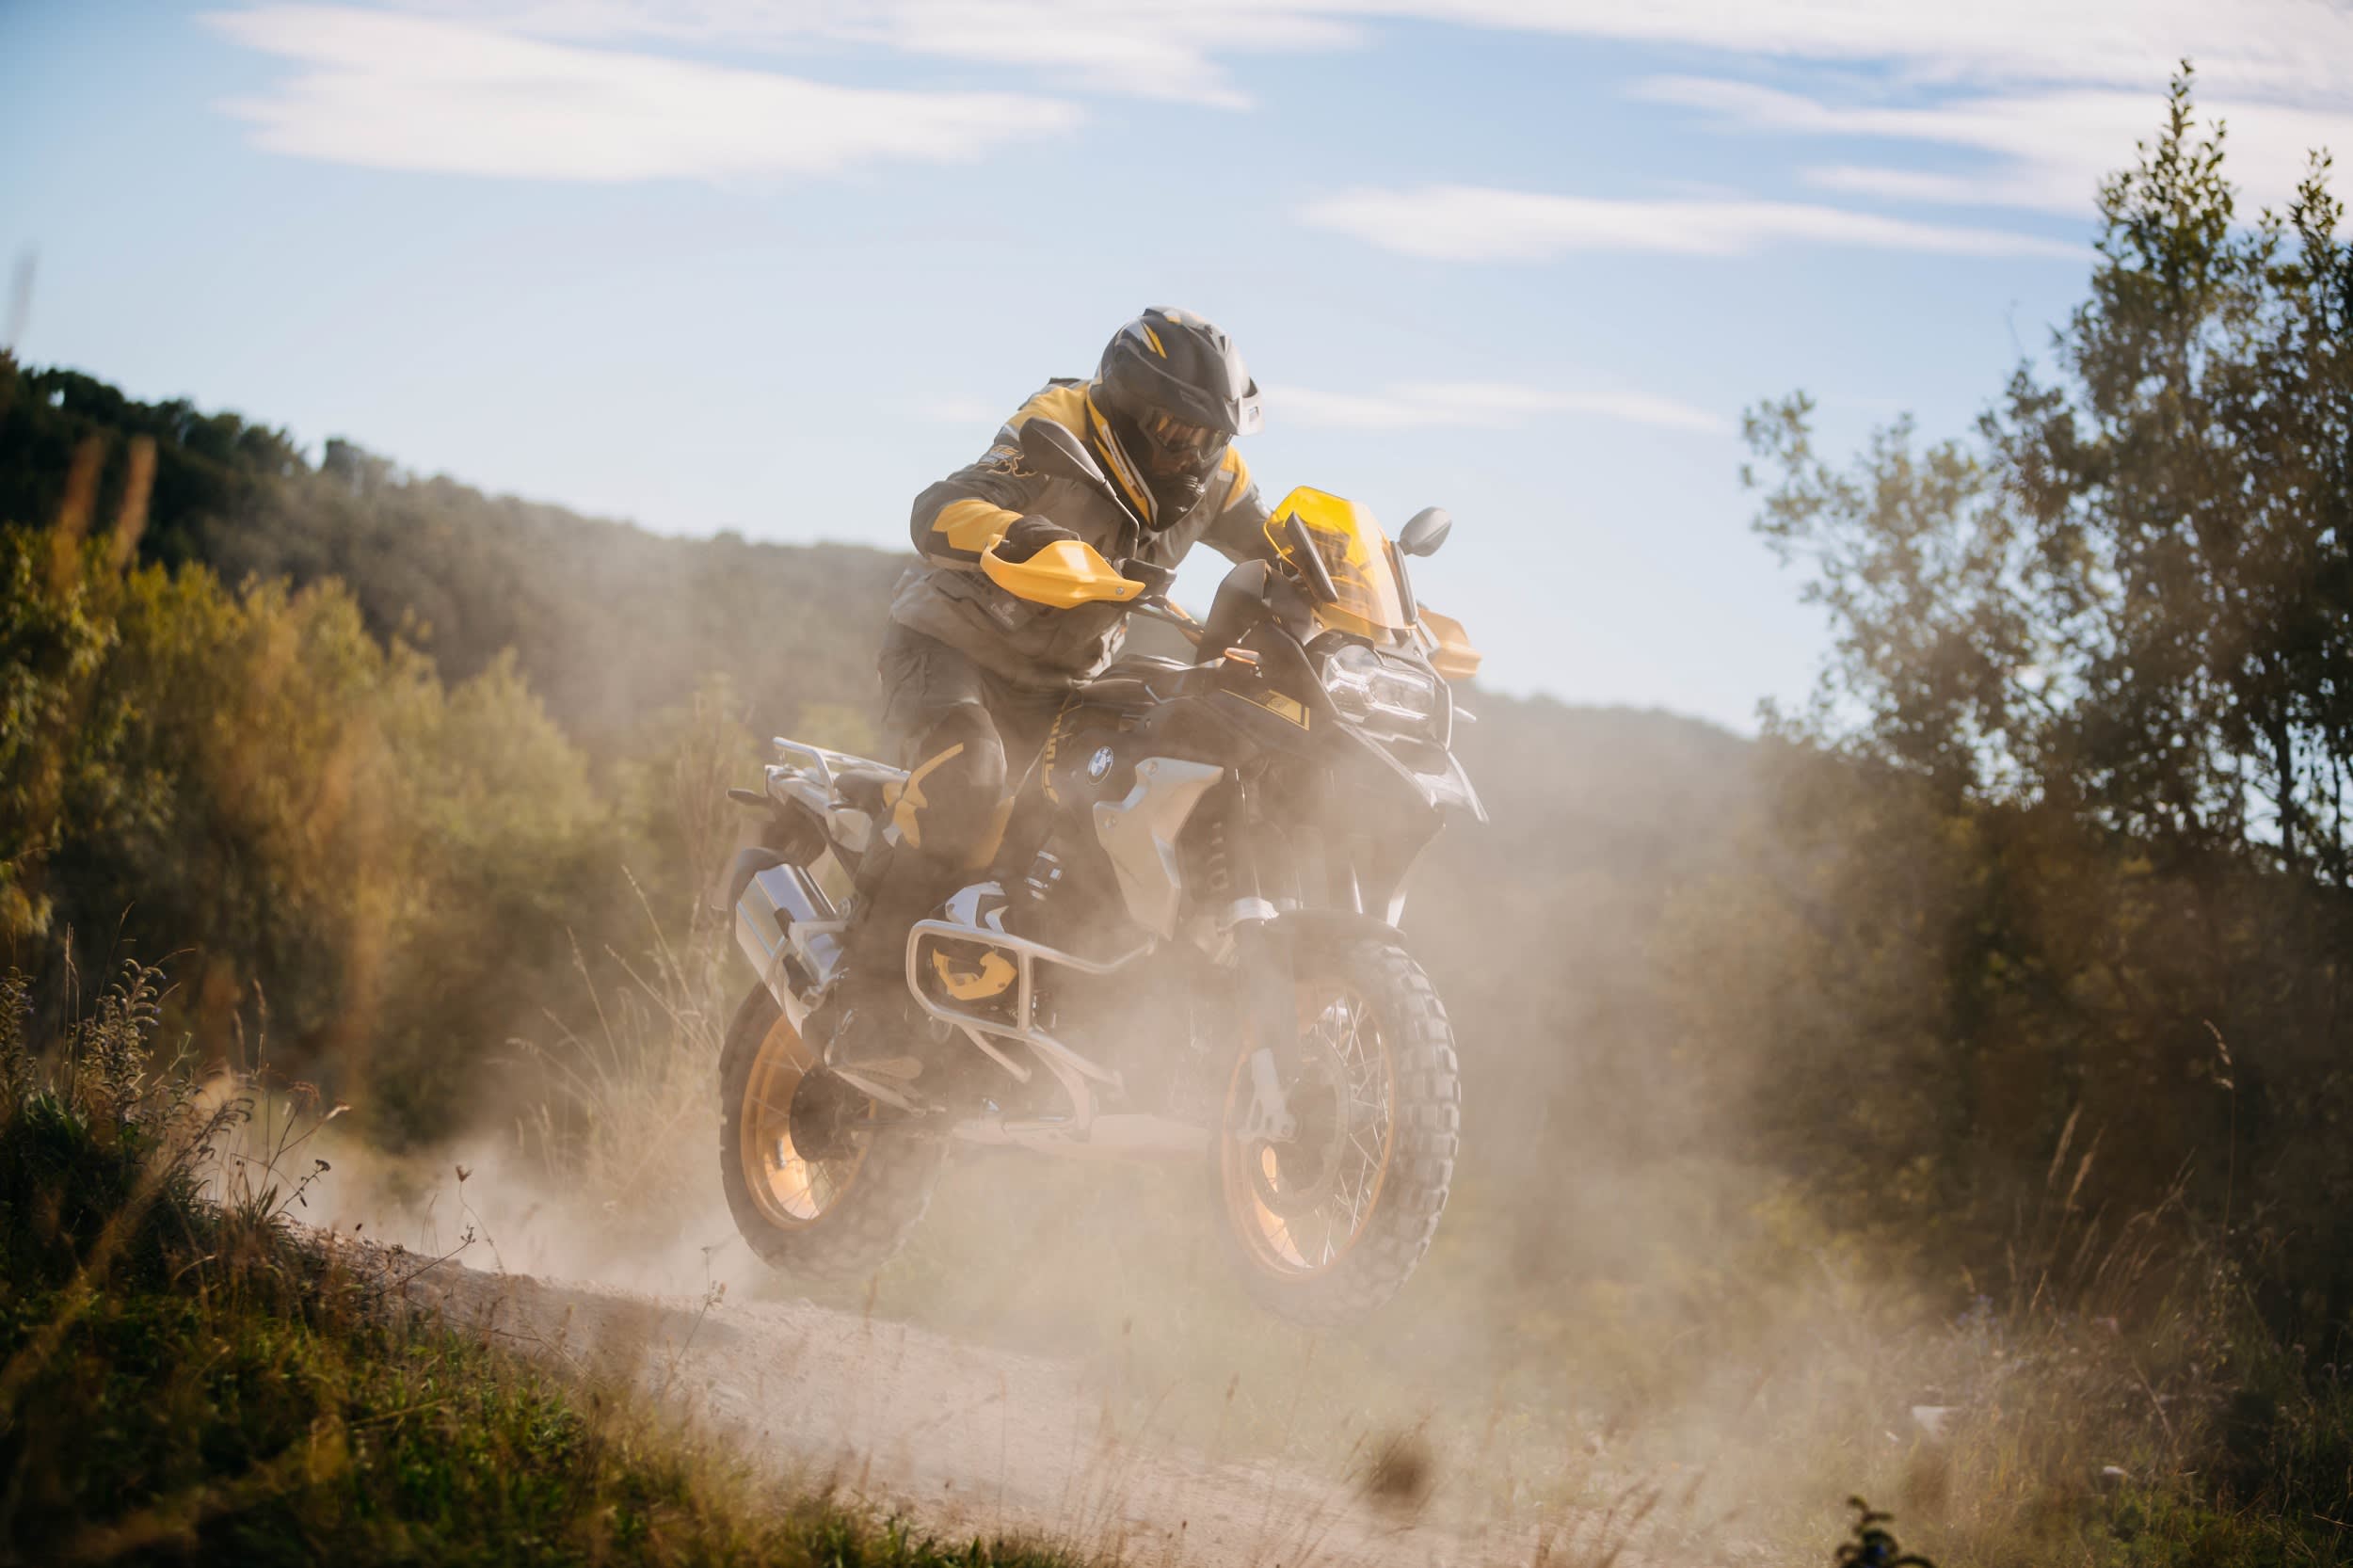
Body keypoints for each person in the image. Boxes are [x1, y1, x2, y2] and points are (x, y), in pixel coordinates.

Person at [810, 307, 1276, 1071]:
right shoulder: (1055, 426)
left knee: (1138, 774)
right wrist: (1017, 534)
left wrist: (1347, 582)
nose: (1194, 451)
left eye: (1210, 434)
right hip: (952, 646)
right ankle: (864, 1001)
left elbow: (1278, 549)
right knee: (970, 777)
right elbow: (939, 508)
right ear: (1127, 409)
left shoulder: (1219, 478)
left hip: (1064, 678)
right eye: (1175, 429)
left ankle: (1043, 984)